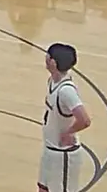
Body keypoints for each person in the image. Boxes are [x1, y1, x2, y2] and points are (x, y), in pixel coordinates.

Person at [38, 43, 91, 192]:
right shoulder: (52, 81)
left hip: (63, 155)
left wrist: (68, 133)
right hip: (50, 149)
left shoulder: (66, 91)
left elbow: (85, 120)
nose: (45, 57)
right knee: (43, 189)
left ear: (53, 62)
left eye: (48, 55)